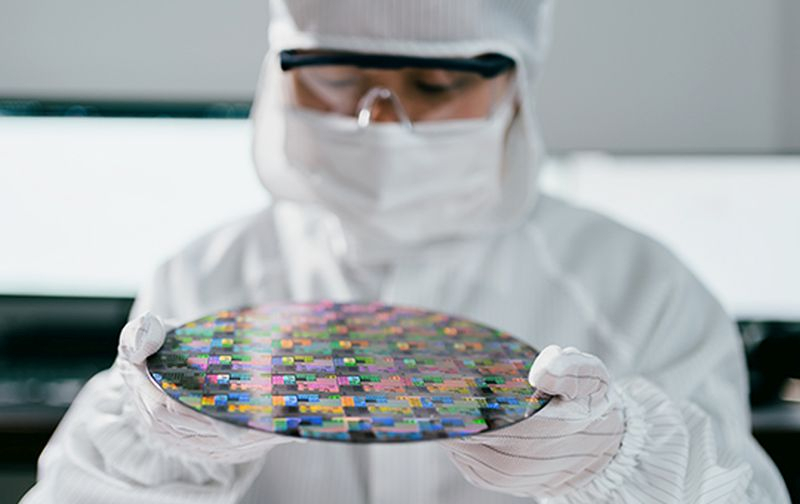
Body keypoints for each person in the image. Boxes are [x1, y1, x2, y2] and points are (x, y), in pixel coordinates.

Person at [21, 0, 790, 502]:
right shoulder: (202, 277)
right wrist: (153, 453)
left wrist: (621, 464)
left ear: (514, 86)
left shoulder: (640, 288)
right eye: (336, 79)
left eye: (434, 84)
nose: (379, 121)